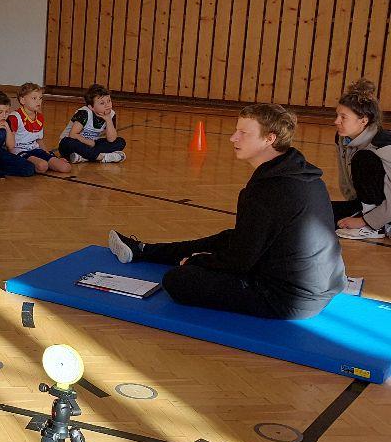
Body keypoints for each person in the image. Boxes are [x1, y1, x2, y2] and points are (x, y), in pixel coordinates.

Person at [108, 103, 345, 319]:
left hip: (288, 298)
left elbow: (240, 262)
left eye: (243, 133)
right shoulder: (302, 173)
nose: (233, 138)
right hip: (324, 285)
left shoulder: (266, 190)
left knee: (177, 280)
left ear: (269, 139)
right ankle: (144, 250)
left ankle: (150, 253)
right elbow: (248, 243)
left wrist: (197, 261)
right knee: (226, 238)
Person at [330, 79, 391, 240]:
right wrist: (354, 210)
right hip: (366, 206)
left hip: (385, 210)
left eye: (343, 117)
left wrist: (365, 221)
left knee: (363, 158)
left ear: (363, 121)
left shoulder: (383, 146)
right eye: (337, 115)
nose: (336, 121)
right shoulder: (342, 138)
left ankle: (376, 227)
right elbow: (347, 182)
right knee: (317, 213)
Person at [9, 83, 72, 174]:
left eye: (40, 98)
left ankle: (40, 163)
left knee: (66, 167)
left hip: (35, 149)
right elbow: (9, 145)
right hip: (20, 151)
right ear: (22, 100)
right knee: (42, 166)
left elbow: (39, 140)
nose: (38, 101)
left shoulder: (40, 117)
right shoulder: (15, 117)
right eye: (34, 98)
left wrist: (50, 156)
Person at [59, 84, 127, 164]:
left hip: (91, 144)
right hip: (73, 143)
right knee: (68, 142)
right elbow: (73, 135)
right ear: (91, 107)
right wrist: (89, 142)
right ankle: (102, 157)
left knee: (120, 142)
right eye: (102, 103)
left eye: (109, 101)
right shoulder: (84, 113)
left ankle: (83, 158)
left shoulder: (111, 114)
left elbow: (111, 139)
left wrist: (108, 119)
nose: (107, 105)